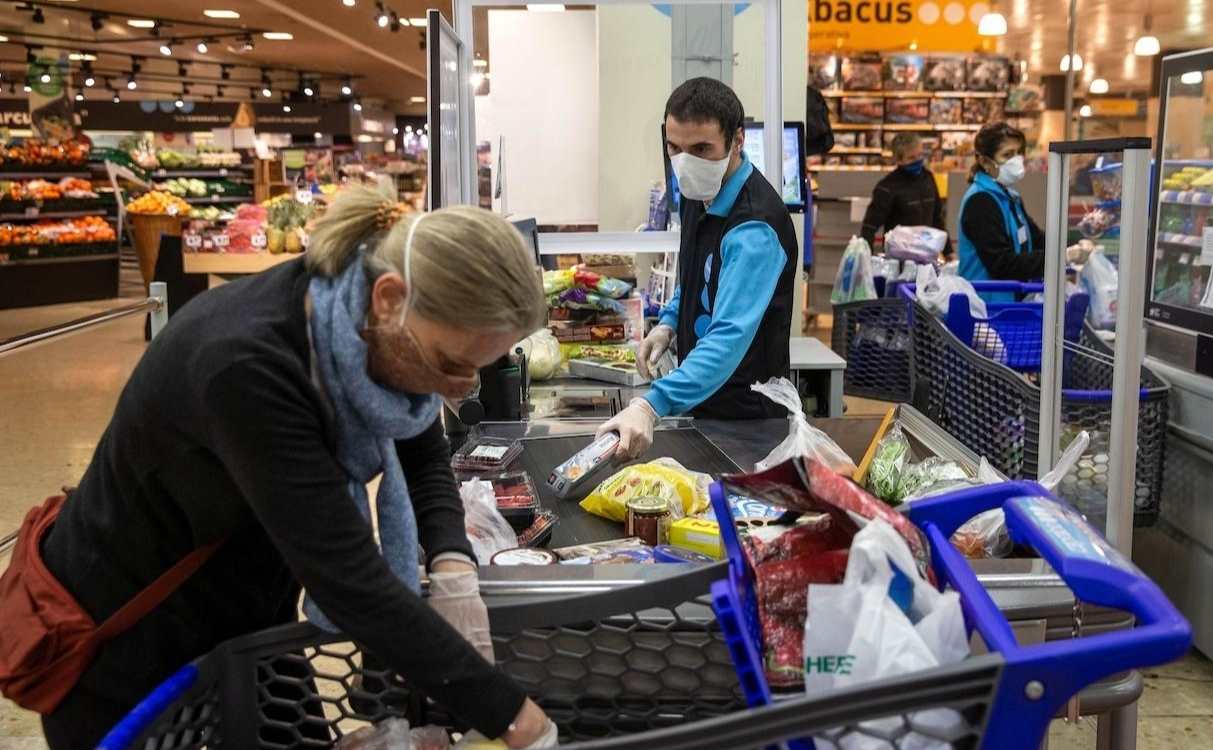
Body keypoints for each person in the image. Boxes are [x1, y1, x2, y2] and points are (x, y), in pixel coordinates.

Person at [28, 185, 554, 748]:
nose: (462, 387)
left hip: (249, 610)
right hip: (134, 650)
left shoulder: (360, 319)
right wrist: (516, 718)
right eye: (452, 363)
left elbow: (421, 446)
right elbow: (347, 578)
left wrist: (453, 567)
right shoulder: (248, 367)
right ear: (389, 297)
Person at [600, 76, 798, 459]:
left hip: (746, 420)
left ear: (737, 140)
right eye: (675, 148)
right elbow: (696, 274)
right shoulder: (698, 192)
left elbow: (727, 339)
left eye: (702, 148)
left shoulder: (755, 228)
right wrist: (670, 322)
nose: (686, 163)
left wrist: (651, 404)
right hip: (703, 405)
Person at [957, 122, 1046, 284]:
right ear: (985, 162)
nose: (1017, 160)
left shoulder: (1010, 197)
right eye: (1007, 155)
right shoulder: (980, 202)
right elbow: (1001, 264)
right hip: (987, 303)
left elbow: (1037, 239)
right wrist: (1058, 258)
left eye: (1019, 153)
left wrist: (1070, 247)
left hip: (1012, 301)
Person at [859, 132, 948, 256]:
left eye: (920, 155)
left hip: (928, 256)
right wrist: (866, 258)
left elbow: (937, 218)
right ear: (898, 160)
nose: (918, 161)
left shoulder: (928, 178)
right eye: (912, 158)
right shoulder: (887, 187)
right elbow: (869, 226)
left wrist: (949, 252)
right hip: (898, 260)